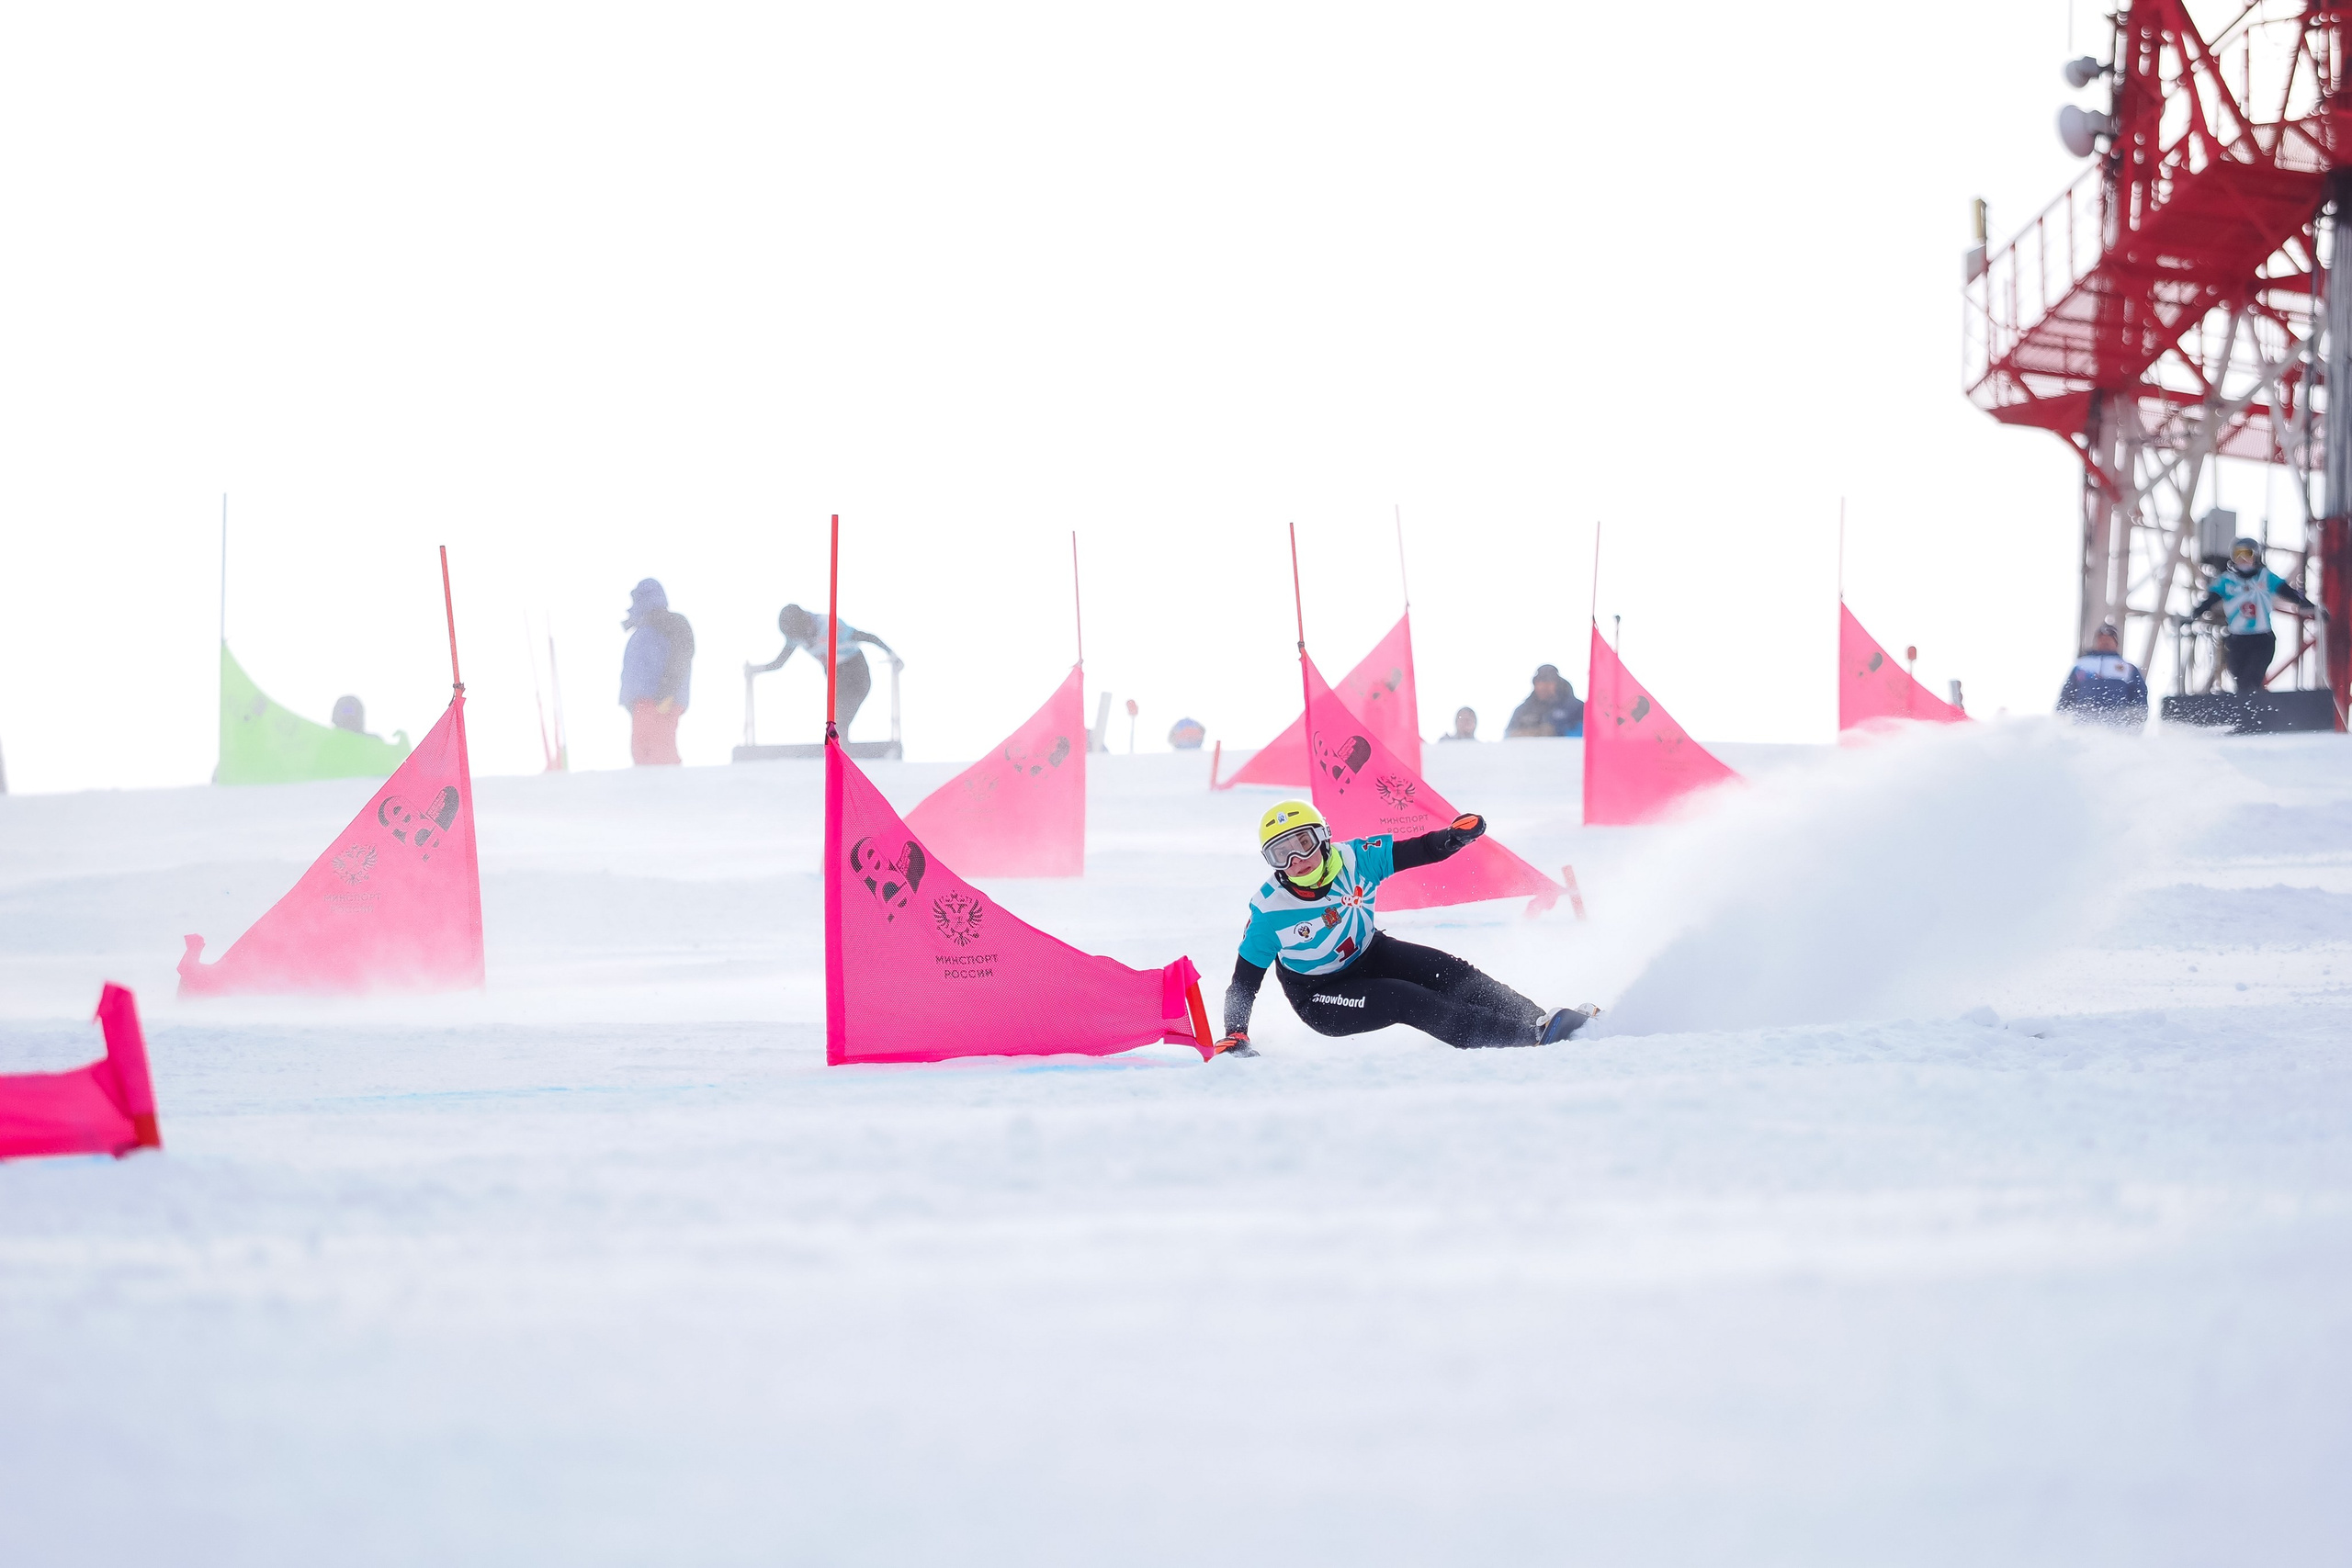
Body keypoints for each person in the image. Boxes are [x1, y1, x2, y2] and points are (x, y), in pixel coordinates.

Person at [1212, 800, 1596, 1058]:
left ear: (1324, 837)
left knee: (1453, 971)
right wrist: (1236, 1031)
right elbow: (1244, 982)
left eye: (1304, 843)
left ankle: (1541, 1022)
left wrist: (1453, 839)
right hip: (1319, 996)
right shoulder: (1269, 910)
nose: (1297, 860)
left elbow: (1417, 850)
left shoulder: (1355, 858)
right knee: (1407, 999)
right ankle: (1524, 1039)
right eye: (1281, 853)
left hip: (1369, 952)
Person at [2185, 536, 2320, 695]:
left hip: (2261, 639)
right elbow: (2210, 600)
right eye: (2238, 555)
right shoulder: (2227, 580)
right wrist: (2194, 614)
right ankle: (2246, 709)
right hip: (2237, 639)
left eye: (2247, 554)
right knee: (2240, 679)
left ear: (2255, 556)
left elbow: (2288, 592)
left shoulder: (2265, 577)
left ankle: (2255, 706)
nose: (2242, 559)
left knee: (2253, 676)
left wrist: (2308, 604)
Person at [751, 604, 899, 738]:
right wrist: (756, 669)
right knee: (836, 722)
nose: (803, 640)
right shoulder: (796, 635)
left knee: (841, 719)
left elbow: (869, 637)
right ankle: (840, 748)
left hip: (856, 672)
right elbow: (779, 662)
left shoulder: (831, 626)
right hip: (835, 676)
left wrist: (891, 654)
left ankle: (842, 750)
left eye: (802, 636)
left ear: (806, 624)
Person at [619, 578, 695, 765]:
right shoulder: (646, 628)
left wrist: (668, 690)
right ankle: (649, 791)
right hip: (643, 702)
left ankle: (666, 790)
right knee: (643, 750)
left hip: (660, 699)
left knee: (659, 751)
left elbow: (682, 655)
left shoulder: (668, 623)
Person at [2054, 622, 2148, 726]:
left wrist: (2137, 719)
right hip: (2083, 722)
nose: (2105, 642)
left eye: (2109, 639)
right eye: (2102, 639)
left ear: (2116, 643)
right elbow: (2068, 691)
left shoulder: (2127, 668)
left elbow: (2139, 694)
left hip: (2116, 724)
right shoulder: (2082, 665)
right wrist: (2060, 713)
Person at [1505, 664, 1584, 738]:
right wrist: (1533, 733)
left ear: (1558, 684)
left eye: (1548, 682)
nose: (1542, 687)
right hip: (1529, 752)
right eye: (1539, 682)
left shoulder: (1577, 708)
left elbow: (1585, 734)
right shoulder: (1523, 711)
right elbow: (1508, 735)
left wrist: (1556, 731)